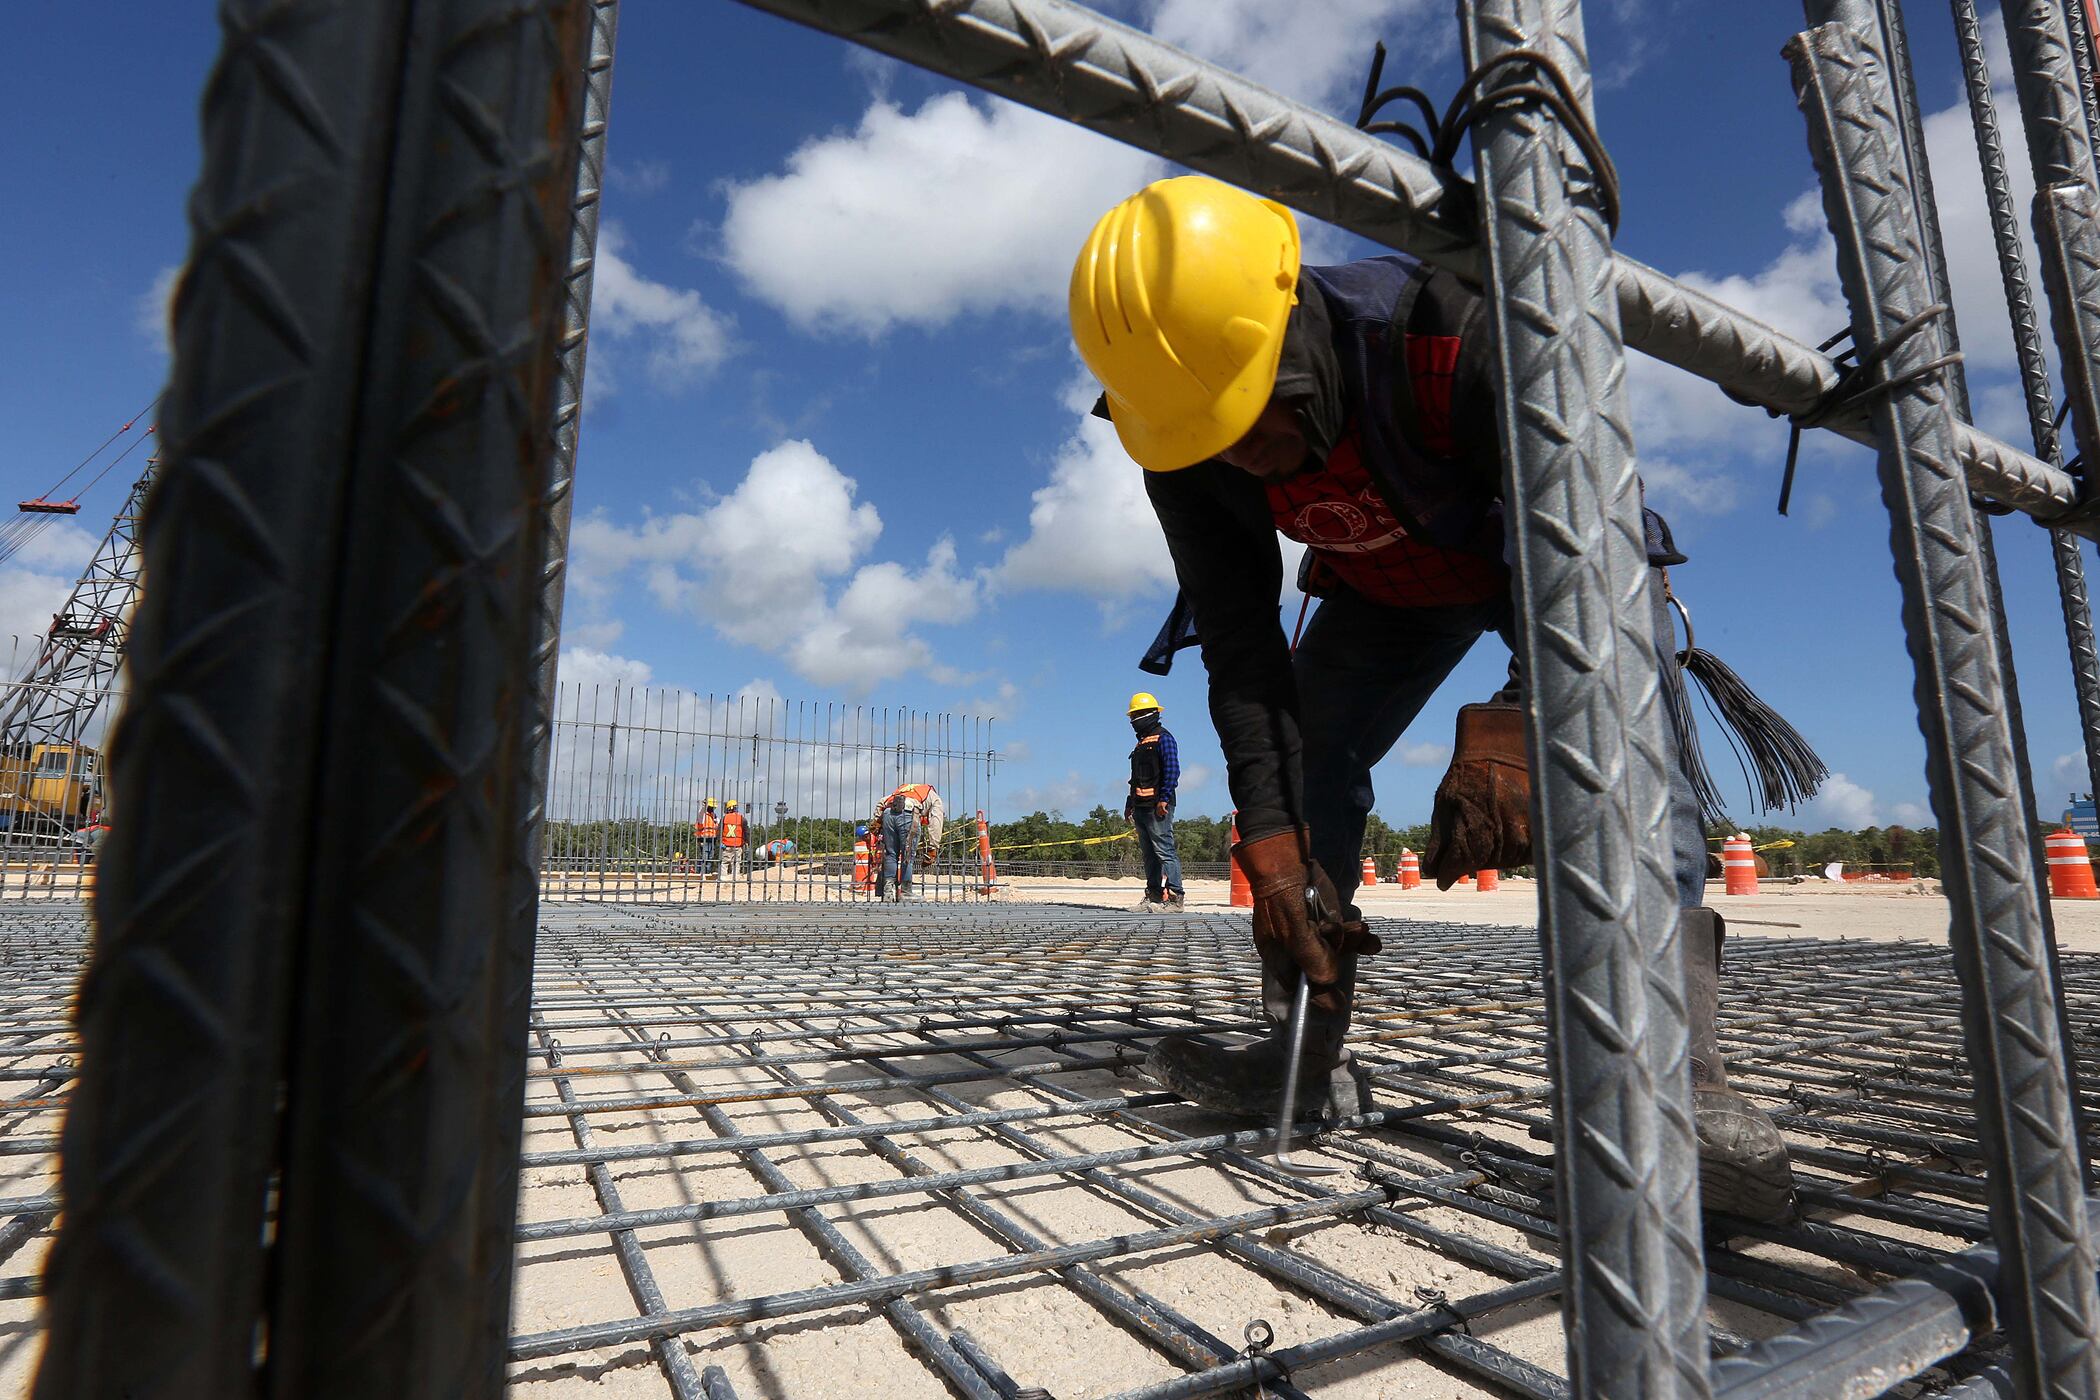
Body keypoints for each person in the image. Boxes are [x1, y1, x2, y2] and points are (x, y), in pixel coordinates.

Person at [1068, 176, 1794, 1221]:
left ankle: (1682, 1087)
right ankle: (1299, 1052)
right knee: (1305, 760)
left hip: (1547, 562)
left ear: (1290, 321)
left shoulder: (1455, 334)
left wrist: (1525, 714)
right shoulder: (1180, 434)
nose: (1238, 450)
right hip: (1385, 587)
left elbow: (1583, 552)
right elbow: (1241, 643)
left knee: (1629, 745)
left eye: (1252, 412)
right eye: (1207, 433)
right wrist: (1273, 838)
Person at [1123, 692, 1185, 910]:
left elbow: (1172, 771)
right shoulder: (1140, 744)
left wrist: (1164, 799)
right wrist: (1130, 803)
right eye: (1132, 716)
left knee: (1164, 850)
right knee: (1149, 854)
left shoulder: (1164, 738)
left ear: (1150, 714)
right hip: (1140, 806)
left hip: (1158, 806)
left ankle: (1176, 898)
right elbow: (1135, 778)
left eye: (1136, 715)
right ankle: (1154, 896)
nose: (1133, 721)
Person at [872, 782, 945, 901]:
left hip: (888, 813)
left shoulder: (904, 789)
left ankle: (888, 893)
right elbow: (936, 820)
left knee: (891, 854)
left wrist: (876, 821)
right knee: (907, 855)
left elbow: (882, 802)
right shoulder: (932, 796)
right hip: (908, 814)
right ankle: (906, 892)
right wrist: (933, 846)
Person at [719, 798, 747, 879]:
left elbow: (719, 831)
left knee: (724, 863)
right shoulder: (742, 818)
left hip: (726, 845)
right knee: (736, 862)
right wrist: (747, 841)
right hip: (737, 845)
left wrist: (720, 841)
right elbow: (746, 832)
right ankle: (735, 878)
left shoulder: (724, 818)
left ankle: (723, 878)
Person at [694, 798, 720, 878]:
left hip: (712, 839)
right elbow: (701, 813)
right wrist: (704, 806)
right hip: (703, 839)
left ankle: (707, 874)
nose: (713, 809)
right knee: (704, 857)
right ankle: (700, 874)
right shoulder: (703, 815)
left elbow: (719, 823)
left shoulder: (713, 816)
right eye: (712, 807)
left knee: (710, 858)